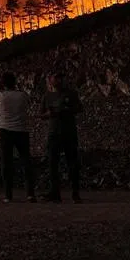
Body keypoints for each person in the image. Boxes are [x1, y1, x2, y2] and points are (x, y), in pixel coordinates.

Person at [0, 72, 36, 202]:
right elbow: (28, 102)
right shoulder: (23, 96)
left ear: (3, 83)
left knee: (6, 163)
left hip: (5, 131)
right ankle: (30, 193)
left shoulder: (0, 96)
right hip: (22, 130)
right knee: (26, 162)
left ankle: (8, 195)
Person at [42, 71, 82, 203]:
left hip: (69, 133)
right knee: (53, 164)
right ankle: (55, 193)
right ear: (51, 79)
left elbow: (79, 108)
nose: (58, 81)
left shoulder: (71, 94)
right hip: (54, 134)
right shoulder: (47, 96)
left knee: (72, 164)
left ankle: (75, 193)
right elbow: (42, 114)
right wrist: (50, 113)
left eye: (61, 78)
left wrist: (66, 109)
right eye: (56, 78)